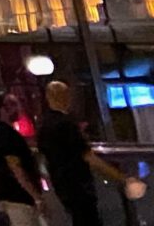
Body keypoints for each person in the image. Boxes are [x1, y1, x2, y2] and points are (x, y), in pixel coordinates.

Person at [38, 80, 149, 226]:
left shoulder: (44, 125)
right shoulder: (66, 124)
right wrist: (121, 177)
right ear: (65, 96)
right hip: (79, 184)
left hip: (62, 185)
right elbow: (88, 156)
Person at [0, 92, 48, 226]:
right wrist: (36, 196)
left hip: (4, 197)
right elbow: (16, 169)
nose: (18, 108)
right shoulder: (9, 136)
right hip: (19, 199)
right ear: (1, 109)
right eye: (12, 104)